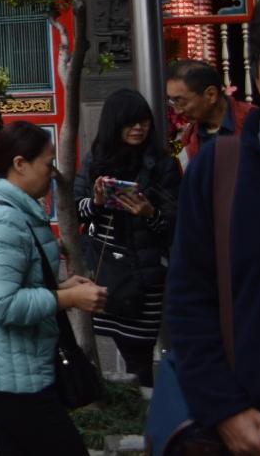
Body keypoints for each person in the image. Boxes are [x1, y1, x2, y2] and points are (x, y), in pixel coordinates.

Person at [167, 0, 260, 454]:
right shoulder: (219, 169)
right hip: (245, 429)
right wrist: (225, 411)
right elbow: (189, 299)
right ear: (257, 71)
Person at [0, 121, 108, 456]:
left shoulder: (15, 211)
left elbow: (14, 283)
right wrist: (67, 297)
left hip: (12, 365)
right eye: (47, 164)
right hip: (12, 374)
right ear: (20, 164)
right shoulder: (3, 221)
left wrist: (62, 287)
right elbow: (3, 303)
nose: (51, 174)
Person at [73, 88, 179, 388]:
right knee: (107, 347)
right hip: (105, 267)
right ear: (113, 124)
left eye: (144, 122)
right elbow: (75, 211)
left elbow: (176, 222)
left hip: (145, 275)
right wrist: (96, 203)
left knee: (140, 353)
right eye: (130, 122)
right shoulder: (95, 160)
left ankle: (144, 406)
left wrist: (149, 213)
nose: (138, 128)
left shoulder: (161, 164)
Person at [166, 59, 256, 164]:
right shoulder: (189, 139)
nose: (177, 111)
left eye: (181, 101)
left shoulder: (255, 122)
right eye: (172, 102)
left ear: (211, 94)